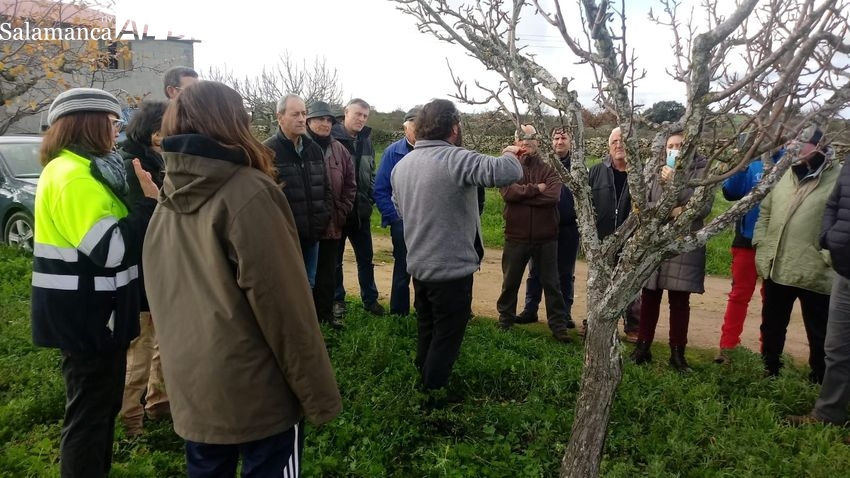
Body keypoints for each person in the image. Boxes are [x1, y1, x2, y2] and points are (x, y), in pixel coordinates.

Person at [143, 81, 342, 477]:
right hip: (259, 395)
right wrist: (318, 397)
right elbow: (286, 308)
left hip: (194, 387)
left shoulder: (166, 200)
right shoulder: (249, 193)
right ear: (234, 123)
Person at [31, 87, 158, 477]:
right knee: (88, 420)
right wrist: (149, 204)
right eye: (112, 122)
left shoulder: (82, 169)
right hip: (88, 320)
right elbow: (111, 250)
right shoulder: (73, 176)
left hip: (97, 317)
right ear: (89, 123)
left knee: (99, 414)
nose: (117, 131)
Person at [391, 99, 523, 393]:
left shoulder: (402, 167)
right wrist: (511, 150)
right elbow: (507, 171)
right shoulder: (456, 159)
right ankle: (432, 396)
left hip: (420, 269)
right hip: (451, 272)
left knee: (427, 328)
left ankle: (421, 383)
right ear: (453, 127)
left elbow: (399, 210)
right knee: (447, 338)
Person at [754, 127, 838, 384]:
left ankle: (820, 380)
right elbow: (765, 212)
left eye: (800, 143)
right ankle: (769, 371)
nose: (793, 148)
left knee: (819, 330)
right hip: (778, 263)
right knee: (772, 325)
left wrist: (827, 255)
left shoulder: (838, 178)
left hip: (816, 269)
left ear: (819, 146)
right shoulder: (782, 174)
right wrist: (761, 243)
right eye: (790, 142)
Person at [629, 131, 712, 372]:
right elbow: (642, 205)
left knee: (679, 300)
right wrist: (671, 210)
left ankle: (678, 354)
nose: (674, 149)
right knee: (649, 295)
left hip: (682, 241)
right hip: (655, 240)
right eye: (670, 146)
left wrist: (676, 182)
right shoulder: (654, 169)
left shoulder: (701, 171)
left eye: (679, 145)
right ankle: (643, 347)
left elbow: (702, 206)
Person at [117, 99, 170, 436]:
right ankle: (130, 418)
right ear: (154, 133)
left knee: (162, 339)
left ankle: (158, 403)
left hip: (158, 264)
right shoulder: (135, 165)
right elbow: (145, 219)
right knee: (141, 345)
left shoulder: (155, 159)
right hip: (140, 267)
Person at [788, 155, 850, 427]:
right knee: (836, 348)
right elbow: (834, 202)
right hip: (845, 269)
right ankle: (827, 415)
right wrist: (830, 237)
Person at [497, 124, 572, 343]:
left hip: (546, 236)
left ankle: (558, 327)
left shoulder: (550, 168)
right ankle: (505, 320)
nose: (526, 141)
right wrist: (535, 189)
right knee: (510, 281)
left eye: (531, 137)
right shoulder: (508, 166)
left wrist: (521, 195)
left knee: (552, 283)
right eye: (522, 137)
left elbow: (553, 197)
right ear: (516, 141)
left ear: (538, 141)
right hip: (516, 235)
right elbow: (507, 193)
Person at [714, 145, 783, 364]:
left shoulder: (788, 161)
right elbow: (731, 192)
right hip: (746, 238)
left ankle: (769, 354)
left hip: (777, 241)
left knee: (772, 301)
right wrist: (740, 166)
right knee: (739, 295)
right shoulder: (751, 158)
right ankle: (728, 348)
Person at [263, 94, 331, 288]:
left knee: (308, 284)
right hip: (284, 239)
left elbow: (326, 188)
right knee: (286, 288)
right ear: (280, 117)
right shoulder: (267, 152)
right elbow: (265, 200)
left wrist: (322, 217)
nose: (302, 119)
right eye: (295, 114)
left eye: (304, 113)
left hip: (312, 235)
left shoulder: (314, 149)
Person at [516, 127, 579, 328]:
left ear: (570, 141)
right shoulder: (543, 165)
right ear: (550, 141)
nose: (559, 142)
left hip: (568, 227)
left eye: (563, 138)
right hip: (544, 224)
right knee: (536, 270)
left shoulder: (578, 167)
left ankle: (564, 313)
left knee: (565, 273)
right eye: (556, 138)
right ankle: (530, 308)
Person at [332, 98, 385, 317]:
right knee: (335, 261)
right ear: (346, 113)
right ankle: (337, 301)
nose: (361, 119)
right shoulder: (331, 138)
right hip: (338, 214)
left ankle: (370, 300)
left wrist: (369, 199)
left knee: (366, 259)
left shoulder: (366, 140)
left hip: (361, 212)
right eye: (357, 114)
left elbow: (370, 172)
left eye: (365, 116)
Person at [306, 100, 356, 328]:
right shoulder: (301, 147)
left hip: (332, 225)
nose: (325, 124)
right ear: (308, 121)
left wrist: (342, 211)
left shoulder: (340, 150)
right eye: (319, 119)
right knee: (306, 277)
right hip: (306, 227)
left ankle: (325, 318)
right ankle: (307, 322)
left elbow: (350, 184)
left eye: (328, 120)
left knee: (327, 276)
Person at [588, 126, 640, 340]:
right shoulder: (596, 171)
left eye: (623, 140)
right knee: (599, 283)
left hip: (632, 238)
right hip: (603, 237)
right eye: (614, 142)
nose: (619, 145)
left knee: (632, 283)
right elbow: (586, 205)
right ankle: (592, 321)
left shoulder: (641, 174)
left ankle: (633, 325)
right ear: (609, 146)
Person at [373, 106, 420, 316]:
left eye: (422, 125)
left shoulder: (433, 151)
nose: (418, 130)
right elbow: (381, 189)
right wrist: (395, 218)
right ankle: (398, 313)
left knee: (424, 267)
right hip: (402, 221)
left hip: (426, 222)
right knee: (403, 266)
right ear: (405, 128)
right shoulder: (394, 152)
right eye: (414, 126)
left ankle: (423, 310)